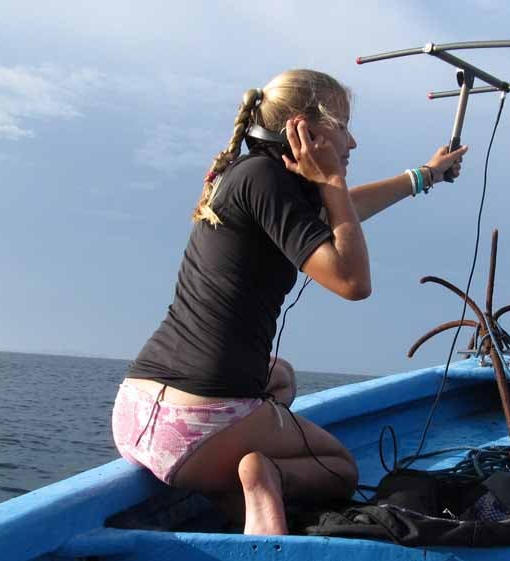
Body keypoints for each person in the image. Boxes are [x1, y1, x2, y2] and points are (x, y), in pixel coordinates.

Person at [111, 68, 468, 536]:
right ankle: (265, 474)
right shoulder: (268, 182)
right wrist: (333, 180)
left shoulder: (248, 174)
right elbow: (352, 280)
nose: (353, 144)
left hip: (137, 409)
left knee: (280, 376)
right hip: (195, 427)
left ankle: (230, 492)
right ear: (307, 129)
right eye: (343, 128)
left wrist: (424, 176)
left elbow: (343, 215)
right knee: (339, 468)